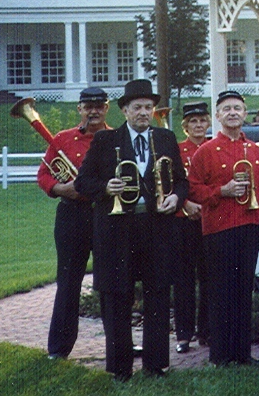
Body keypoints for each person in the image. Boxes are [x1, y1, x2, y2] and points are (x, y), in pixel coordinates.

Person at [73, 79, 187, 381]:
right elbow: (82, 182)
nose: (144, 113)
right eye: (137, 107)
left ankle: (155, 365)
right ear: (124, 110)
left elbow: (181, 181)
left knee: (158, 295)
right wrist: (105, 187)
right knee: (116, 297)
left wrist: (176, 197)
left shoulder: (165, 137)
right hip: (117, 230)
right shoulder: (105, 140)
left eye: (148, 107)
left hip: (156, 227)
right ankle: (120, 368)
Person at [188, 90, 259, 368]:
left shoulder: (253, 150)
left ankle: (243, 353)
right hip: (219, 228)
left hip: (248, 226)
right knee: (221, 292)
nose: (232, 113)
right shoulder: (206, 150)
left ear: (245, 114)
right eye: (226, 109)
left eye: (237, 108)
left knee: (244, 291)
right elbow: (192, 189)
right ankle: (221, 355)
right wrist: (221, 191)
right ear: (218, 116)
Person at [36, 86, 110, 361]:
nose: (93, 111)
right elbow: (43, 174)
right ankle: (59, 348)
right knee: (68, 282)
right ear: (79, 109)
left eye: (99, 106)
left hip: (106, 216)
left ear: (107, 108)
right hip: (72, 215)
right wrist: (59, 189)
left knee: (110, 282)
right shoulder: (62, 139)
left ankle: (118, 343)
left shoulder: (116, 138)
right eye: (88, 107)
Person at [173, 102, 210, 354]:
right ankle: (184, 335)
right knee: (183, 279)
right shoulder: (177, 150)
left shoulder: (213, 148)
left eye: (202, 120)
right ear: (185, 126)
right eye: (193, 122)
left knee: (209, 278)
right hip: (183, 220)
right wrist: (185, 203)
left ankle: (206, 331)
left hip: (209, 219)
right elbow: (169, 182)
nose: (198, 125)